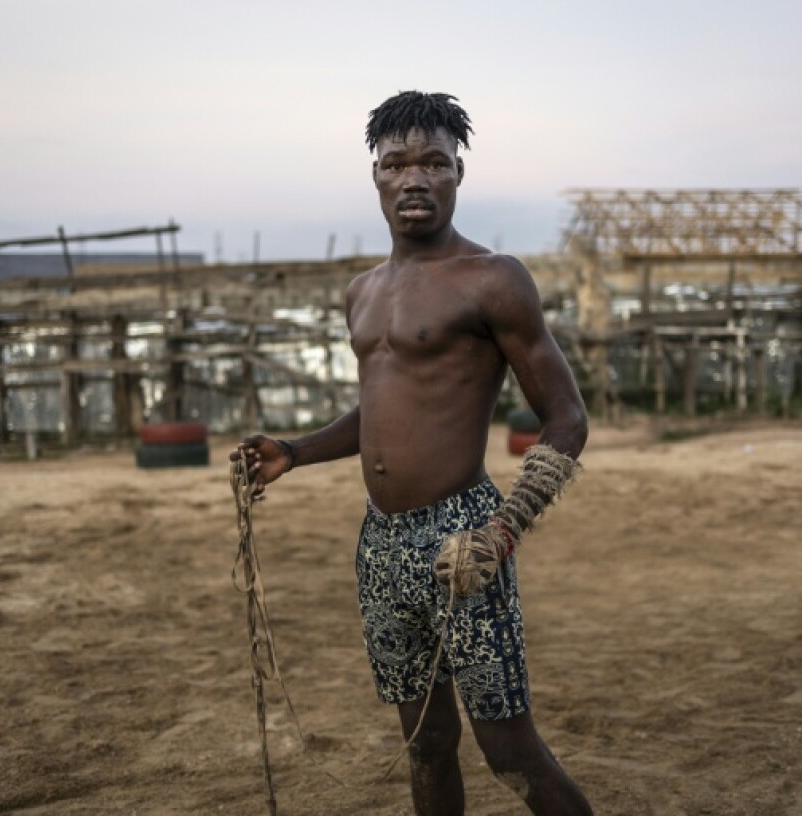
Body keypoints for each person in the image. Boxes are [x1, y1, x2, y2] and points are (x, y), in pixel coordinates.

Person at [231, 91, 592, 815]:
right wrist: (295, 452)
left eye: (434, 162)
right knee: (424, 744)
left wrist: (503, 529)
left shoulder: (494, 279)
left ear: (459, 173)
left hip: (464, 540)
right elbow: (386, 410)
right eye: (396, 164)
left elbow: (567, 418)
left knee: (507, 749)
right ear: (375, 177)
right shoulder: (361, 292)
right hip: (381, 543)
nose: (414, 178)